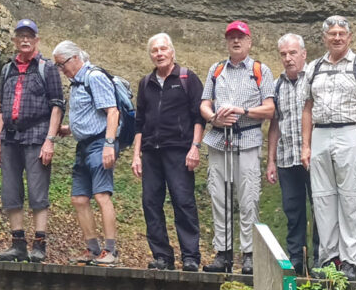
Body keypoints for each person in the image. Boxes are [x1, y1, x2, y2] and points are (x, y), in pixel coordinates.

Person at [299, 15, 356, 282]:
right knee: (322, 198)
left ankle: (349, 261)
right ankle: (328, 259)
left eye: (341, 34)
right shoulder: (314, 68)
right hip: (320, 133)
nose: (336, 38)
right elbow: (307, 108)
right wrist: (306, 146)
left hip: (351, 132)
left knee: (349, 197)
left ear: (349, 37)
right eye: (332, 34)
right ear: (324, 38)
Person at [199, 21, 275, 275]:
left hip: (247, 138)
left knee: (248, 197)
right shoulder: (216, 69)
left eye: (240, 37)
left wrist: (241, 110)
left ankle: (249, 254)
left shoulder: (260, 70)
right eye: (231, 37)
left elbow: (270, 108)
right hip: (219, 139)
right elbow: (204, 103)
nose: (236, 41)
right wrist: (213, 118)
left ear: (249, 41)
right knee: (219, 196)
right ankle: (223, 252)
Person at [0, 19, 65, 263]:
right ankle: (18, 244)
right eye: (21, 36)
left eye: (29, 36)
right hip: (10, 137)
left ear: (37, 40)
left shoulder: (47, 68)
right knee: (10, 191)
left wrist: (50, 140)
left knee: (38, 191)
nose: (25, 40)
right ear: (15, 40)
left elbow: (57, 106)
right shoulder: (7, 69)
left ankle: (39, 244)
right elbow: (1, 109)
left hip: (37, 136)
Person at [131, 33, 204, 272]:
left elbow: (198, 117)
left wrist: (195, 148)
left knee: (183, 201)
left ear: (172, 52)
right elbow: (139, 122)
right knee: (150, 203)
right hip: (151, 152)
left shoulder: (187, 78)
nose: (159, 54)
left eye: (163, 49)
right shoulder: (146, 83)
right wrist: (136, 155)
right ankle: (162, 256)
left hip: (179, 151)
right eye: (155, 50)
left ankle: (190, 256)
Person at [54, 40, 121, 266]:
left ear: (75, 58)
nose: (61, 70)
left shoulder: (94, 77)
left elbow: (112, 112)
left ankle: (110, 251)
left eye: (62, 64)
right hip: (83, 145)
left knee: (102, 195)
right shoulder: (77, 83)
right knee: (79, 198)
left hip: (100, 143)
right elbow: (91, 115)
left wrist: (109, 144)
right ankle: (93, 249)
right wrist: (70, 129)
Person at [265, 33, 319, 276]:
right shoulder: (277, 85)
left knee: (319, 208)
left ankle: (320, 260)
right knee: (293, 210)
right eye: (284, 54)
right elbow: (274, 125)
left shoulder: (315, 79)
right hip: (287, 158)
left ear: (303, 54)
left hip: (313, 157)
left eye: (293, 53)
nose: (288, 58)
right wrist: (271, 161)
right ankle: (296, 259)